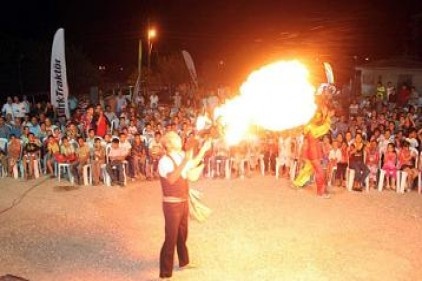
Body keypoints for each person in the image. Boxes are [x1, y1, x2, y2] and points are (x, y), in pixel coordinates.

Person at [158, 131, 210, 279]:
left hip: (183, 202)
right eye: (175, 138)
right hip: (172, 205)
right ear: (168, 144)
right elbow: (172, 179)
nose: (179, 139)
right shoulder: (164, 161)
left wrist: (203, 150)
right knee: (171, 238)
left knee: (182, 235)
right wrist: (185, 159)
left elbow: (191, 165)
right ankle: (165, 273)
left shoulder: (180, 155)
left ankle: (184, 262)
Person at [293, 107, 332, 198]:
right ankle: (320, 193)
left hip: (312, 150)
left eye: (319, 117)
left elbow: (320, 124)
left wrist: (325, 116)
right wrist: (327, 118)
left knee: (308, 168)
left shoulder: (310, 125)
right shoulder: (311, 127)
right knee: (320, 172)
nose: (318, 118)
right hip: (313, 151)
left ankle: (297, 183)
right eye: (317, 116)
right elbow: (324, 128)